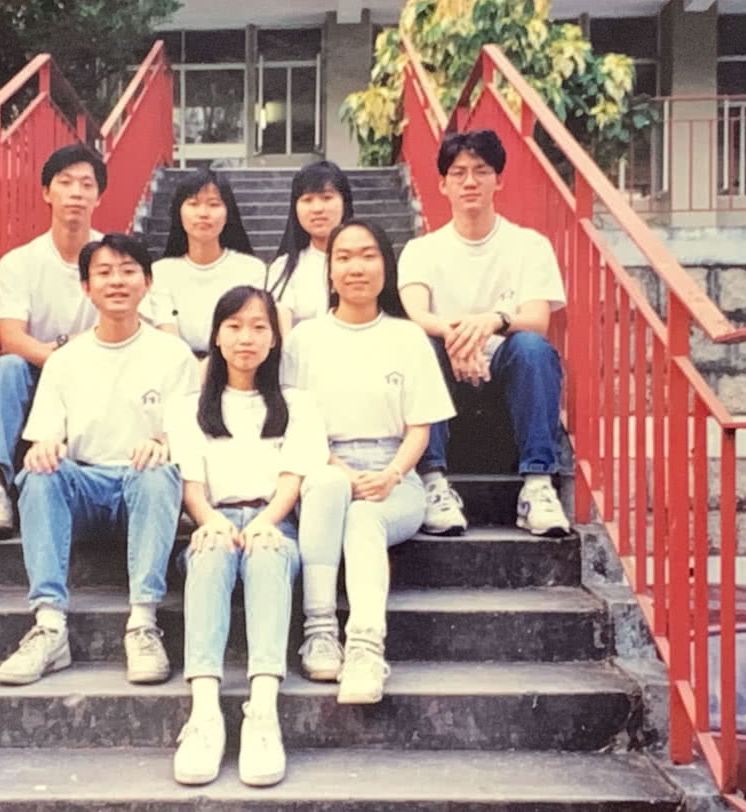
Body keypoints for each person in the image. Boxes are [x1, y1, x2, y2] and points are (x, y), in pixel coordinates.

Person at [0, 233, 198, 687]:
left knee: (158, 470)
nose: (117, 282)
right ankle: (49, 626)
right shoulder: (65, 360)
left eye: (128, 271)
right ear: (86, 287)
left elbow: (188, 432)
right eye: (103, 273)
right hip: (85, 489)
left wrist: (163, 440)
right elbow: (43, 434)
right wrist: (45, 447)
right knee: (39, 473)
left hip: (141, 491)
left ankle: (143, 623)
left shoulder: (174, 355)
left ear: (147, 283)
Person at [282, 219, 454, 704]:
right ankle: (319, 629)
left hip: (393, 471)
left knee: (363, 518)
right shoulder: (304, 339)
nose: (356, 267)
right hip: (320, 465)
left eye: (369, 255)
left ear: (386, 266)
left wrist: (392, 474)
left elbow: (420, 427)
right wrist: (337, 467)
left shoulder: (408, 337)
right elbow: (295, 421)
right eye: (344, 257)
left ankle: (363, 646)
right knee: (333, 490)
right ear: (329, 270)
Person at [166, 286, 327, 787]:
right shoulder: (187, 407)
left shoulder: (297, 404)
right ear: (215, 336)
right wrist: (209, 520)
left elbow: (293, 479)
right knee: (212, 556)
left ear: (276, 339)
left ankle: (262, 710)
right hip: (211, 521)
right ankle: (205, 712)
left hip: (274, 521)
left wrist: (266, 522)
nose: (246, 338)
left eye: (259, 327)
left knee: (265, 555)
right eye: (234, 326)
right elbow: (191, 485)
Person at [398, 129, 570, 538]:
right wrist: (456, 336)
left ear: (499, 180)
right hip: (444, 371)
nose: (470, 182)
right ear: (442, 184)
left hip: (506, 367)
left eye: (481, 171)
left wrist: (491, 321)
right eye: (458, 173)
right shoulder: (421, 250)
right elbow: (416, 314)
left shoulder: (529, 245)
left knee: (533, 347)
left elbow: (537, 318)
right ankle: (434, 484)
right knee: (420, 344)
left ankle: (538, 487)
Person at [0, 144, 105, 539]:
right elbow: (11, 336)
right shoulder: (20, 262)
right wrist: (58, 356)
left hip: (92, 370)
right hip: (37, 367)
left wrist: (70, 356)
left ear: (99, 196)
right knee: (3, 368)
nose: (76, 193)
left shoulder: (111, 257)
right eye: (65, 183)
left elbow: (120, 326)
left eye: (86, 184)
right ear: (47, 192)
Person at [146, 169, 265, 356]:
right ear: (179, 212)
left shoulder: (251, 270)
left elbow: (244, 332)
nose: (203, 213)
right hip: (177, 369)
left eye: (213, 204)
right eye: (193, 204)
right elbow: (168, 337)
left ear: (228, 213)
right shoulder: (161, 272)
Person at [265, 160, 354, 334]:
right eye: (307, 199)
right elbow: (281, 330)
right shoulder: (284, 268)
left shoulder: (366, 263)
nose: (317, 208)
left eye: (327, 198)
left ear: (345, 202)